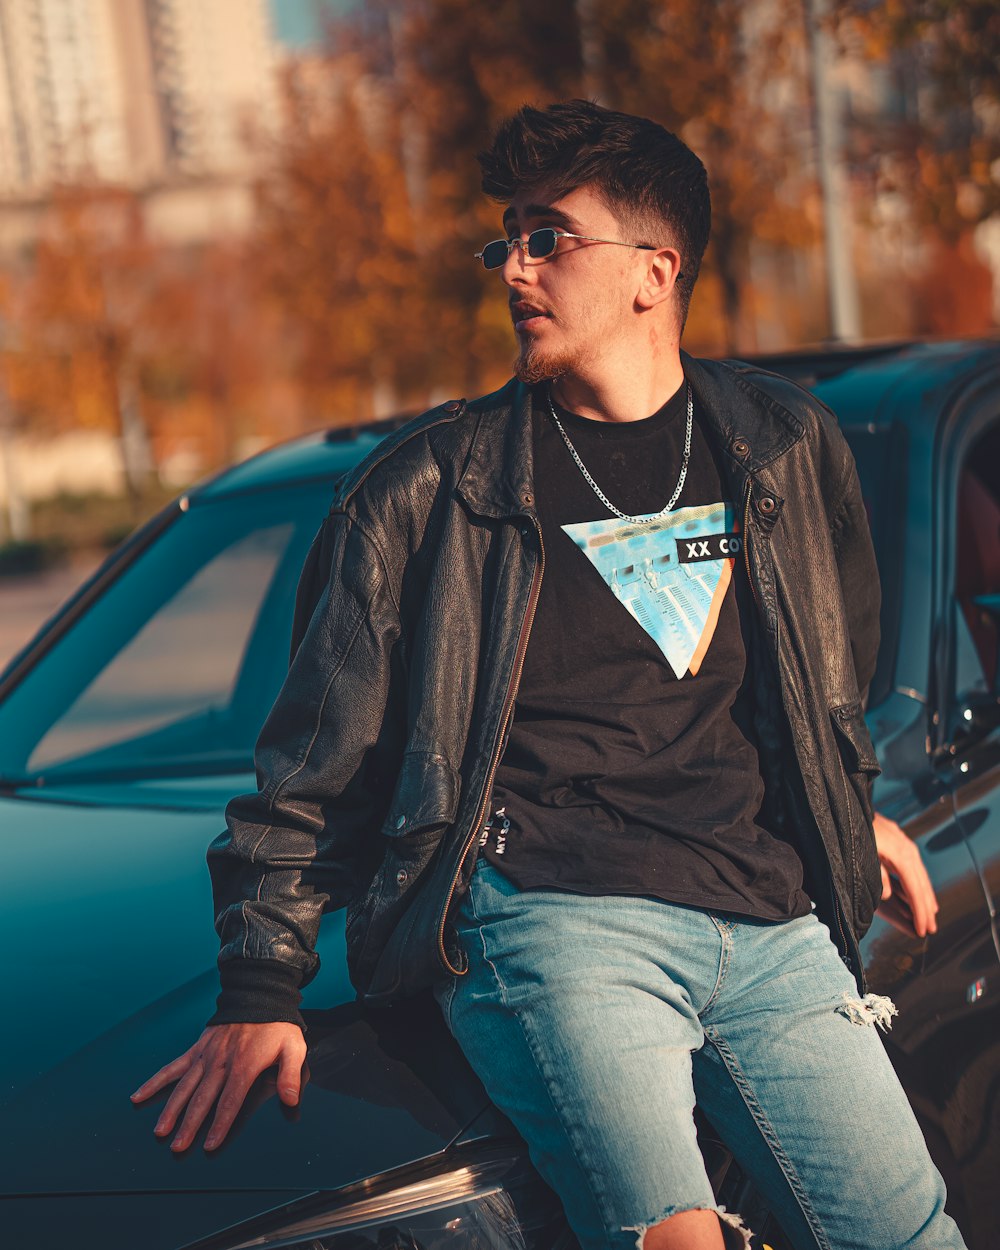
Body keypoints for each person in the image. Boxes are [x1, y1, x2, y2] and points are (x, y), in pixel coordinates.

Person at [133, 101, 963, 1250]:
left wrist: (845, 799)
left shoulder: (780, 441)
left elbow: (820, 664)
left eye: (548, 237)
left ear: (651, 271)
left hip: (772, 921)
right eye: (507, 241)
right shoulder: (424, 490)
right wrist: (262, 985)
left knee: (911, 1233)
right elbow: (313, 755)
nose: (512, 269)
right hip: (561, 924)